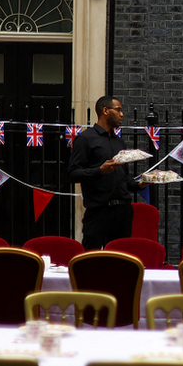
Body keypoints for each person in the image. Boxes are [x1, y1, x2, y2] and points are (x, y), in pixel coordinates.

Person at [69, 95, 148, 250]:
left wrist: (140, 184)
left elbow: (124, 179)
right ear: (105, 111)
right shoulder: (86, 139)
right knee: (92, 257)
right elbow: (72, 174)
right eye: (118, 110)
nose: (122, 114)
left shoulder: (119, 142)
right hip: (99, 211)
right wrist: (99, 170)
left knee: (121, 258)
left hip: (123, 211)